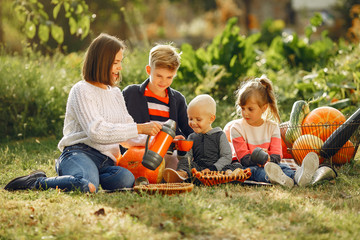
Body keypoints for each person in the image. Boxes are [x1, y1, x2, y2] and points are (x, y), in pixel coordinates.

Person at [4, 33, 161, 193]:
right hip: (79, 153)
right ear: (101, 62)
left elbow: (128, 135)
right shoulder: (82, 90)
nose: (120, 67)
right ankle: (37, 181)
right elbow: (96, 132)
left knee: (126, 179)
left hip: (107, 161)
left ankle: (90, 177)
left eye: (120, 62)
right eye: (115, 63)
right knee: (84, 185)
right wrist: (140, 127)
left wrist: (158, 137)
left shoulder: (115, 94)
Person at [230, 76, 319, 188]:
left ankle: (299, 176)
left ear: (264, 108)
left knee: (283, 167)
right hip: (248, 166)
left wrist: (268, 158)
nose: (245, 113)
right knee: (254, 171)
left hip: (270, 164)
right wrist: (258, 157)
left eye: (250, 109)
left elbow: (277, 156)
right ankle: (277, 179)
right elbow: (244, 159)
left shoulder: (272, 127)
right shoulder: (237, 128)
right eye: (242, 108)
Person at [122, 43, 193, 170]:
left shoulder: (178, 99)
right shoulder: (131, 94)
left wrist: (182, 142)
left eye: (169, 77)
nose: (163, 81)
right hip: (138, 151)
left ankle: (174, 174)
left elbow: (188, 130)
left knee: (179, 160)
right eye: (159, 76)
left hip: (169, 153)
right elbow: (121, 128)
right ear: (149, 70)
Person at [162, 94, 232, 183]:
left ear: (211, 119)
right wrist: (181, 151)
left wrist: (212, 168)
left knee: (235, 166)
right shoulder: (192, 137)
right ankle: (181, 175)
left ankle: (223, 176)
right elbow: (187, 157)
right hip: (199, 169)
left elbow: (226, 156)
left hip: (216, 168)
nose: (193, 123)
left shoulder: (219, 135)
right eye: (190, 118)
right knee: (186, 163)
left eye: (198, 119)